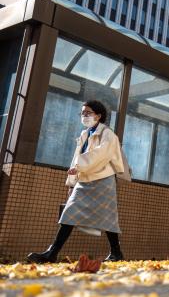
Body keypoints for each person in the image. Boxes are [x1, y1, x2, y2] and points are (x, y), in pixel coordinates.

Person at [27, 100, 126, 263]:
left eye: (88, 113)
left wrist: (79, 166)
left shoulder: (108, 134)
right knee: (69, 213)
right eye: (82, 113)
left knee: (107, 217)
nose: (84, 116)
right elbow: (76, 158)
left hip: (103, 180)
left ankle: (116, 252)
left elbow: (102, 154)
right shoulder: (84, 134)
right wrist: (72, 183)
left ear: (99, 116)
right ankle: (52, 253)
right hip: (85, 179)